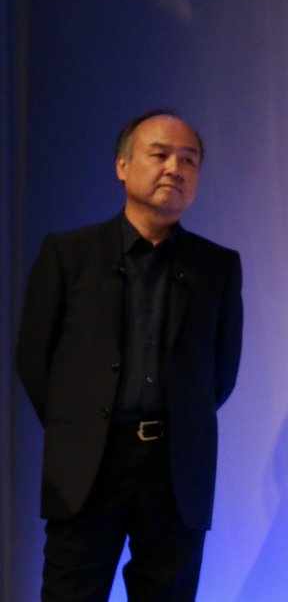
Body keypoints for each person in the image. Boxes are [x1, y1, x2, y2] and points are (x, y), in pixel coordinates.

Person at [17, 110, 244, 601]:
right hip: (89, 466)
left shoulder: (217, 267)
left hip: (175, 469)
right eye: (159, 155)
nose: (174, 169)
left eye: (189, 160)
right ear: (122, 166)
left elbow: (221, 374)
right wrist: (78, 427)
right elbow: (33, 360)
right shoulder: (68, 255)